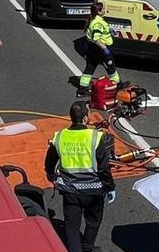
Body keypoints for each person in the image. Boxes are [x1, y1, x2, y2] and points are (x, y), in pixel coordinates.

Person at [45, 101, 115, 252]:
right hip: (94, 190)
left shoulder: (60, 137)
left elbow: (50, 160)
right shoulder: (95, 137)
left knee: (71, 225)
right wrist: (110, 187)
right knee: (93, 220)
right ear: (85, 118)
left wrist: (51, 175)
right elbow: (103, 167)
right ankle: (88, 247)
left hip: (70, 191)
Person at [76, 2, 119, 97]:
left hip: (92, 48)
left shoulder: (95, 20)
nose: (105, 10)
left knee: (90, 68)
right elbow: (96, 37)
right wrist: (104, 48)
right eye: (103, 9)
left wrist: (109, 31)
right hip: (99, 49)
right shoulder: (98, 23)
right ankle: (117, 84)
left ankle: (82, 89)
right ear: (99, 12)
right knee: (110, 66)